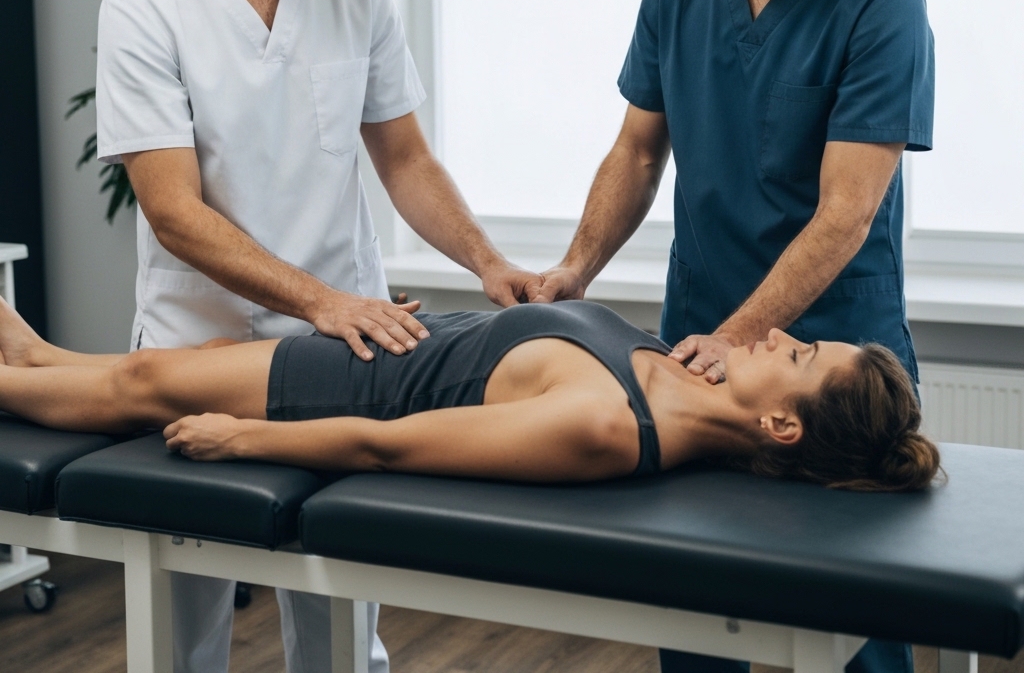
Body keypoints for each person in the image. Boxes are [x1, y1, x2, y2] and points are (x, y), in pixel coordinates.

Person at [95, 0, 539, 673]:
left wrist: (486, 264)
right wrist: (319, 303)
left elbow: (404, 158)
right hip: (201, 340)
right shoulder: (145, 5)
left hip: (345, 347)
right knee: (185, 623)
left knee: (340, 617)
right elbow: (173, 212)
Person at [530, 0, 934, 673]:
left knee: (855, 635)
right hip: (699, 352)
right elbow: (637, 151)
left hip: (834, 361)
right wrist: (573, 271)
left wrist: (739, 333)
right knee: (698, 620)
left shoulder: (881, 3)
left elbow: (844, 214)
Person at [0, 296, 939, 491]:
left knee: (146, 379)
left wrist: (243, 439)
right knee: (180, 352)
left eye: (804, 354)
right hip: (415, 336)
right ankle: (37, 356)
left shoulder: (607, 426)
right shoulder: (691, 369)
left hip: (370, 390)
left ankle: (19, 379)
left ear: (781, 425)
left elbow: (391, 448)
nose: (780, 334)